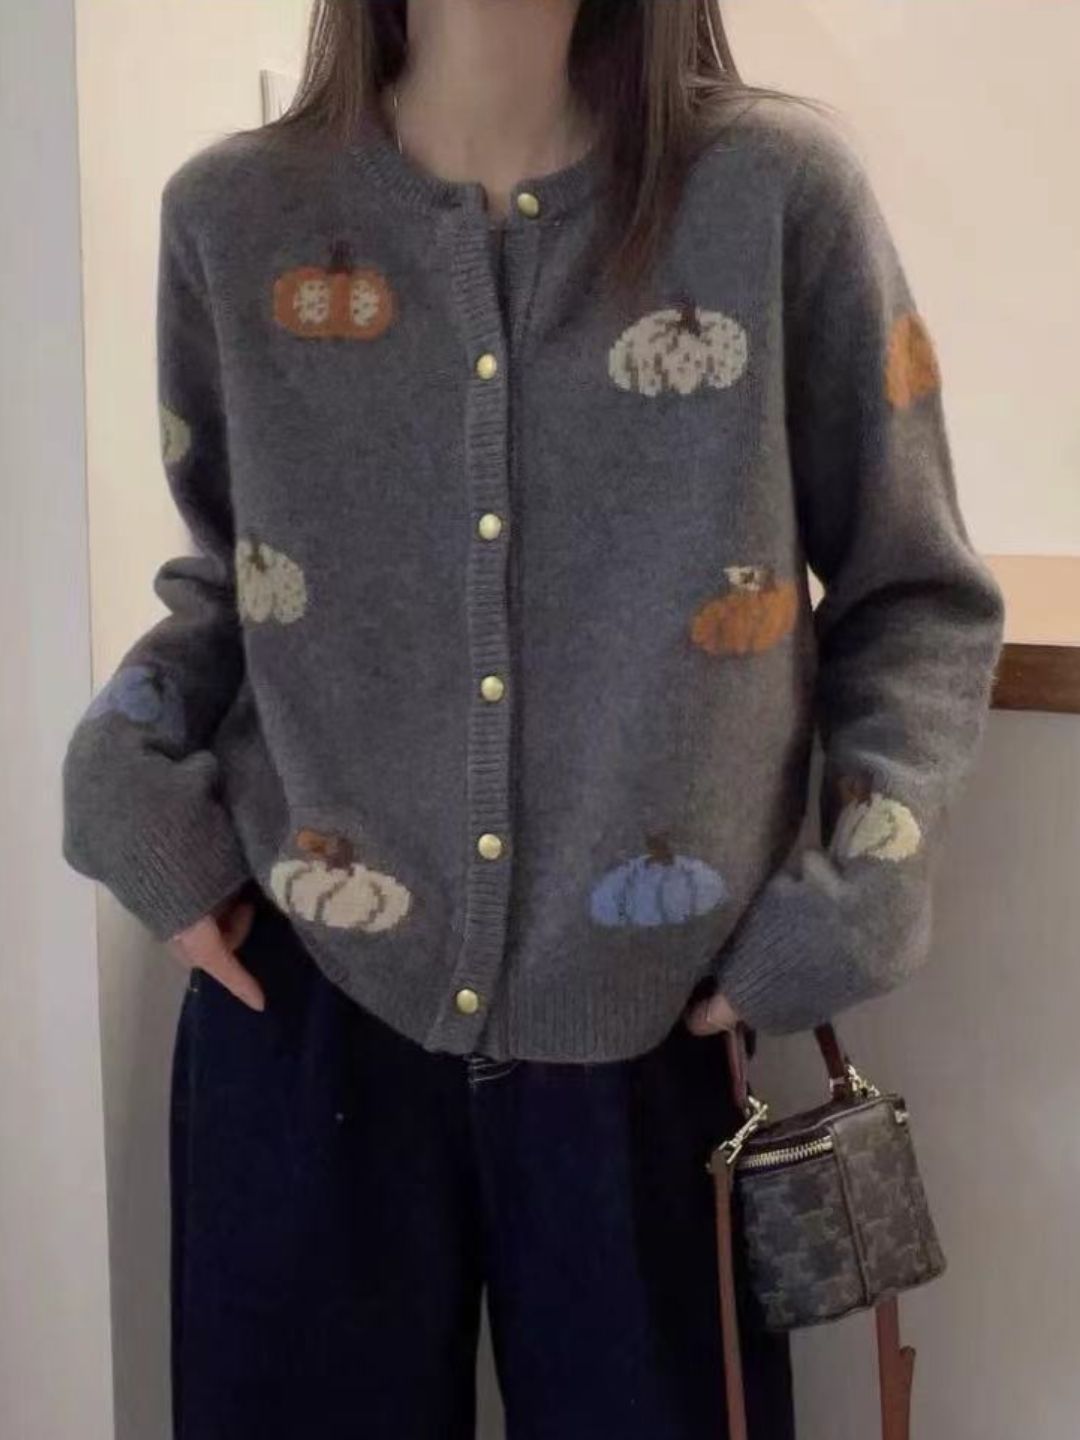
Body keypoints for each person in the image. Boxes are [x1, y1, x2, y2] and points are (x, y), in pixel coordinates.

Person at [61, 1, 1006, 1436]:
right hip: (308, 1011)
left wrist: (857, 900)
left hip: (662, 1038)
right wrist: (121, 773)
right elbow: (240, 574)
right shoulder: (236, 217)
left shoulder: (773, 197)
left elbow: (918, 591)